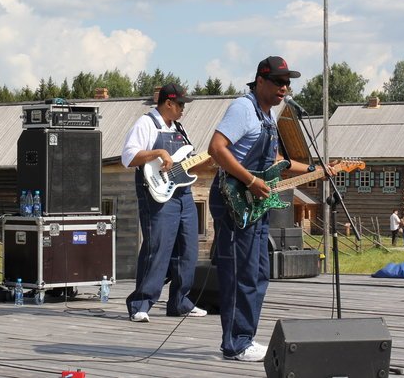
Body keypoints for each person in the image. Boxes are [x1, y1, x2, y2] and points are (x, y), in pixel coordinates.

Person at [208, 56, 331, 363]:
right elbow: (216, 148)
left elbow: (275, 161)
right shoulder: (243, 108)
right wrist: (250, 180)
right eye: (278, 82)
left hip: (255, 205)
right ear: (260, 81)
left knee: (259, 271)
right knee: (241, 273)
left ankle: (244, 338)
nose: (284, 88)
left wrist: (315, 170)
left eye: (287, 83)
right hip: (234, 200)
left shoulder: (269, 117)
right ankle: (235, 344)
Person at [121, 83, 207, 323]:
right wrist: (158, 152)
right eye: (180, 104)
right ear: (168, 103)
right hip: (156, 195)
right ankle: (140, 304)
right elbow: (128, 157)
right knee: (157, 247)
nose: (183, 109)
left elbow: (183, 163)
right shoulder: (146, 123)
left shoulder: (179, 128)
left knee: (188, 249)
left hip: (183, 194)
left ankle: (180, 302)